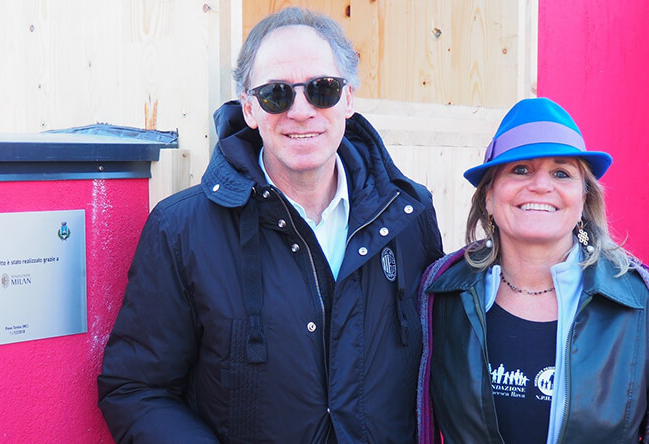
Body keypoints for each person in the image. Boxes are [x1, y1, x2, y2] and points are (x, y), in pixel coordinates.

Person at [98, 7, 443, 443]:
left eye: (323, 89)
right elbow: (135, 389)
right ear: (249, 108)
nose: (301, 111)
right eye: (276, 94)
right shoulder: (180, 230)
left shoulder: (408, 216)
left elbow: (442, 367)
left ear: (349, 99)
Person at [417, 97, 649, 443]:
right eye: (520, 169)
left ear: (584, 200)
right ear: (489, 198)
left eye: (561, 173)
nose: (541, 186)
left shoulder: (639, 301)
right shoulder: (440, 294)